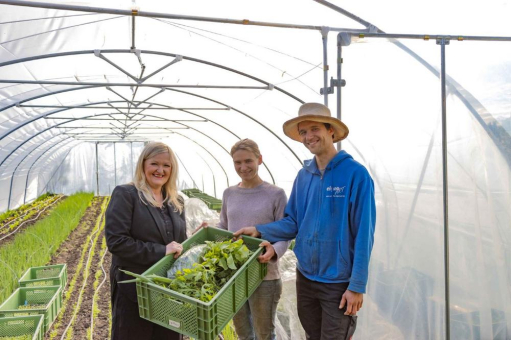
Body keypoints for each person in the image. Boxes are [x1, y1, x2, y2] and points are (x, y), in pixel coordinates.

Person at [234, 103, 376, 340]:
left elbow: (364, 233)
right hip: (306, 277)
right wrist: (259, 230)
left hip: (337, 282)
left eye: (314, 129)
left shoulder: (355, 174)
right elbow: (293, 222)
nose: (309, 136)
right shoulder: (304, 175)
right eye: (303, 132)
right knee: (312, 336)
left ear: (331, 130)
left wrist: (356, 286)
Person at [199, 139, 289, 340]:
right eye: (237, 163)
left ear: (260, 160)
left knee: (264, 334)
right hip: (233, 276)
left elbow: (285, 232)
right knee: (243, 333)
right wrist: (210, 230)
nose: (243, 167)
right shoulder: (229, 193)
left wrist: (274, 251)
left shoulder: (276, 194)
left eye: (248, 161)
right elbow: (225, 226)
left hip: (265, 276)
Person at [106, 142, 187, 340]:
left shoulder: (176, 201)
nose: (160, 170)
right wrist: (161, 251)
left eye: (166, 165)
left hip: (167, 289)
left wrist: (190, 242)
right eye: (154, 164)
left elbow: (177, 242)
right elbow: (116, 242)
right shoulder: (126, 194)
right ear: (143, 165)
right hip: (134, 288)